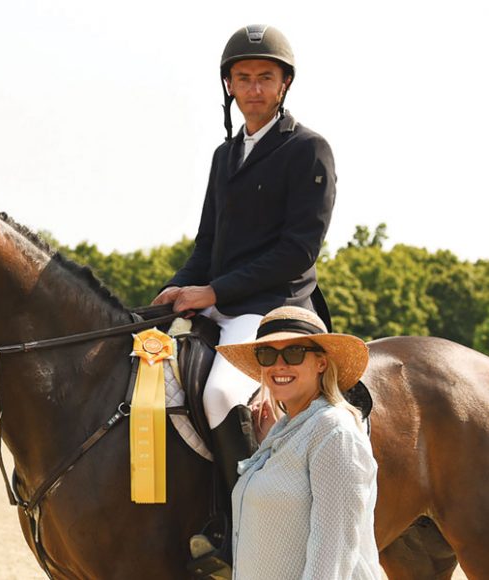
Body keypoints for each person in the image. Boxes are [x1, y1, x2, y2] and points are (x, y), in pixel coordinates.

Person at [152, 24, 337, 514]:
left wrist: (211, 292)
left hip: (273, 307)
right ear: (229, 85)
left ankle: (249, 522)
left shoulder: (308, 150)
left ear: (283, 85)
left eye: (265, 77)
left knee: (219, 393)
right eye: (243, 77)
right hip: (220, 301)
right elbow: (207, 243)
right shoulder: (223, 156)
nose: (253, 88)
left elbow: (297, 252)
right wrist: (175, 288)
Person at [215, 306, 381, 579]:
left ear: (321, 363)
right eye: (267, 354)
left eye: (294, 352)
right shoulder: (287, 429)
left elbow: (333, 554)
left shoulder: (335, 431)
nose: (279, 365)